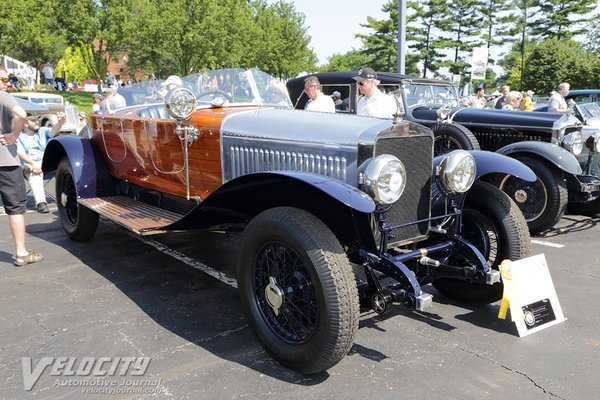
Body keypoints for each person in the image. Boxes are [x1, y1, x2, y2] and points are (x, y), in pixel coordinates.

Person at [0, 67, 43, 267]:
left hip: (8, 159)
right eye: (3, 78)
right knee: (15, 208)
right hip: (6, 162)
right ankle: (21, 253)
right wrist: (14, 135)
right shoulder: (4, 97)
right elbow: (21, 113)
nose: (7, 82)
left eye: (8, 78)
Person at [16, 115, 65, 213]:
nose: (37, 122)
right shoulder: (19, 136)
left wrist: (60, 123)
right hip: (29, 163)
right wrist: (33, 164)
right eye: (34, 121)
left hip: (46, 162)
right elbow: (20, 153)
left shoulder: (42, 131)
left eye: (37, 120)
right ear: (25, 123)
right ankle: (41, 202)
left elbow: (53, 132)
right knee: (35, 173)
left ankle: (72, 196)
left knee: (65, 166)